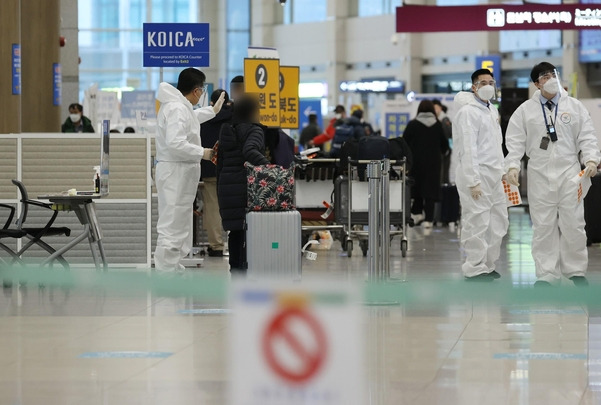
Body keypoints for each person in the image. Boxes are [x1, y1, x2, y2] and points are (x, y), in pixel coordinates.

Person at [505, 62, 601, 287]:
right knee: (543, 226)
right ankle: (546, 274)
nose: (550, 78)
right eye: (544, 76)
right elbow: (515, 142)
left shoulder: (574, 106)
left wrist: (591, 159)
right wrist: (512, 166)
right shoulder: (525, 111)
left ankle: (575, 271)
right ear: (537, 83)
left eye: (553, 74)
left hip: (570, 173)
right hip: (539, 174)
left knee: (574, 225)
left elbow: (587, 136)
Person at [154, 67, 225, 272]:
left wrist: (212, 111)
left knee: (179, 221)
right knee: (172, 223)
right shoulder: (176, 109)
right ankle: (165, 273)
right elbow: (176, 143)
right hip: (175, 172)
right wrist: (203, 152)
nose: (202, 94)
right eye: (202, 90)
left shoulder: (179, 107)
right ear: (196, 90)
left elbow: (191, 118)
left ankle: (171, 266)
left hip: (179, 173)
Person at [453, 68, 508, 281]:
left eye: (491, 82)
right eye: (483, 82)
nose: (488, 86)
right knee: (477, 221)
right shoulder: (468, 112)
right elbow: (468, 148)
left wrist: (503, 171)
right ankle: (474, 267)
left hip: (494, 173)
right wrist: (473, 180)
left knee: (498, 221)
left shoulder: (492, 110)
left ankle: (487, 264)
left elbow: (496, 144)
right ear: (473, 87)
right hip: (476, 173)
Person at [216, 94, 270, 275]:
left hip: (226, 184)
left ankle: (236, 270)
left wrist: (220, 187)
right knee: (251, 230)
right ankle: (249, 269)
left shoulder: (226, 129)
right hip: (246, 186)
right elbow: (249, 150)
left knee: (236, 231)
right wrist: (269, 168)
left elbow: (220, 161)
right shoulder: (254, 130)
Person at [403, 100, 449, 231]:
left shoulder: (412, 125)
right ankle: (429, 219)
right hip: (433, 164)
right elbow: (445, 146)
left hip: (416, 163)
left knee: (417, 188)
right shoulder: (438, 125)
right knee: (430, 191)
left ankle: (417, 215)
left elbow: (404, 143)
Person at [200, 89, 232, 257]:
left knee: (212, 208)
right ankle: (236, 244)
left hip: (210, 168)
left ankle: (216, 246)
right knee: (233, 206)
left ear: (212, 103)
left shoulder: (205, 118)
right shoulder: (235, 117)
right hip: (232, 169)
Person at [432, 99, 453, 184]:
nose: (435, 110)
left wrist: (448, 148)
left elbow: (449, 134)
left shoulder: (444, 119)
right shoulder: (435, 119)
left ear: (440, 108)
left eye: (436, 108)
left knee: (444, 170)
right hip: (438, 149)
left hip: (445, 149)